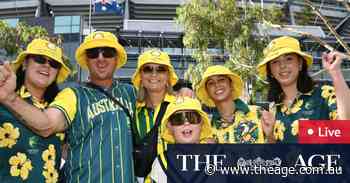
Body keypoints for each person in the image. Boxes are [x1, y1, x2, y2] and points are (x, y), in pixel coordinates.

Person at [0, 31, 136, 183]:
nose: (101, 58)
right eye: (93, 53)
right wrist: (8, 97)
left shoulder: (131, 93)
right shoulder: (71, 96)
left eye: (108, 53)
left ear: (117, 59)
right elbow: (48, 125)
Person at [0, 39, 71, 182]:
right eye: (40, 59)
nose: (46, 66)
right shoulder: (3, 99)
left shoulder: (59, 111)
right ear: (25, 63)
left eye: (53, 64)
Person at [257, 36, 350, 143]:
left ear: (300, 64)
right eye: (275, 62)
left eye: (289, 59)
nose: (282, 65)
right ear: (270, 71)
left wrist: (335, 72)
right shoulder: (273, 108)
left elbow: (345, 126)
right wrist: (270, 136)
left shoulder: (325, 94)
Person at [131, 49, 178, 181]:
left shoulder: (180, 106)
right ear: (140, 75)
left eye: (161, 69)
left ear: (168, 75)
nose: (154, 74)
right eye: (148, 69)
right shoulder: (133, 110)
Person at [149, 97, 213, 182]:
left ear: (201, 123)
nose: (186, 123)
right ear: (169, 127)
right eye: (178, 119)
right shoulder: (162, 163)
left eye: (192, 118)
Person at [196, 65, 265, 143]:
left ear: (231, 85)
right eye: (211, 83)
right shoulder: (208, 130)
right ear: (207, 92)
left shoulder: (258, 113)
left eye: (221, 80)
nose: (217, 85)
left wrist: (270, 136)